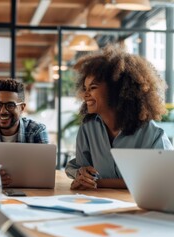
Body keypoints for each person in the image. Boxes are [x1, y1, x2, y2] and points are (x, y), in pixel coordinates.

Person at [65, 44, 173, 190]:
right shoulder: (88, 129)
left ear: (116, 89)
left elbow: (164, 179)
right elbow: (80, 168)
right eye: (85, 88)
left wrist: (98, 183)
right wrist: (82, 175)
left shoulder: (151, 134)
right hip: (97, 206)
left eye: (93, 88)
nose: (85, 95)